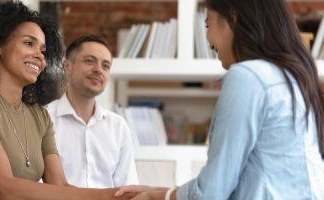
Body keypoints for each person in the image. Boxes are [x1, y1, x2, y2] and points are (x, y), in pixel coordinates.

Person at [115, 0, 324, 199]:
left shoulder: (248, 76)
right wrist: (164, 192)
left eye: (208, 23)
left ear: (232, 17)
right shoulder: (291, 78)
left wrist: (157, 196)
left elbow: (211, 192)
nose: (207, 38)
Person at [0, 2, 134, 200]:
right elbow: (6, 188)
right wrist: (109, 196)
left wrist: (121, 195)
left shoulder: (39, 115)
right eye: (29, 43)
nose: (39, 56)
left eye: (43, 51)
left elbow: (60, 185)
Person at [46, 34, 138, 188]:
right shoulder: (44, 119)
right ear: (67, 66)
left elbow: (127, 188)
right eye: (90, 61)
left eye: (105, 66)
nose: (98, 70)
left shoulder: (118, 126)